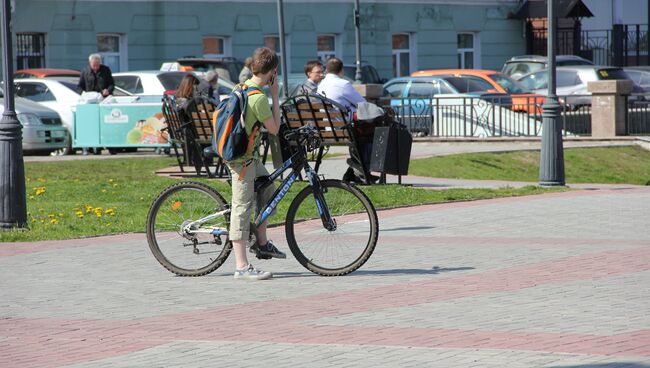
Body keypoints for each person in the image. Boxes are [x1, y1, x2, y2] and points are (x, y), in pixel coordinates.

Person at [228, 47, 284, 281]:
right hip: (242, 161)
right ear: (272, 72)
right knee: (242, 209)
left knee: (269, 189)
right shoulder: (259, 97)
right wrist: (275, 95)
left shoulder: (241, 87)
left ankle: (261, 242)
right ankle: (241, 266)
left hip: (250, 158)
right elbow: (274, 129)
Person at [317, 58, 377, 183]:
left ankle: (354, 173)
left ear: (326, 70)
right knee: (370, 133)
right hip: (343, 130)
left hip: (328, 130)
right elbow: (363, 103)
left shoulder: (320, 85)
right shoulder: (343, 84)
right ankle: (361, 172)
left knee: (362, 135)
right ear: (341, 70)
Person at [77, 53, 114, 155]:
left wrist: (108, 90)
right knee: (89, 125)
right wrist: (83, 94)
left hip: (103, 101)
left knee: (105, 125)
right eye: (94, 65)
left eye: (97, 65)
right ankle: (88, 148)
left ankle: (110, 147)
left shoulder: (105, 70)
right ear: (90, 63)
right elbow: (79, 87)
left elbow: (111, 84)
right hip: (89, 104)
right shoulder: (85, 71)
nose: (96, 67)